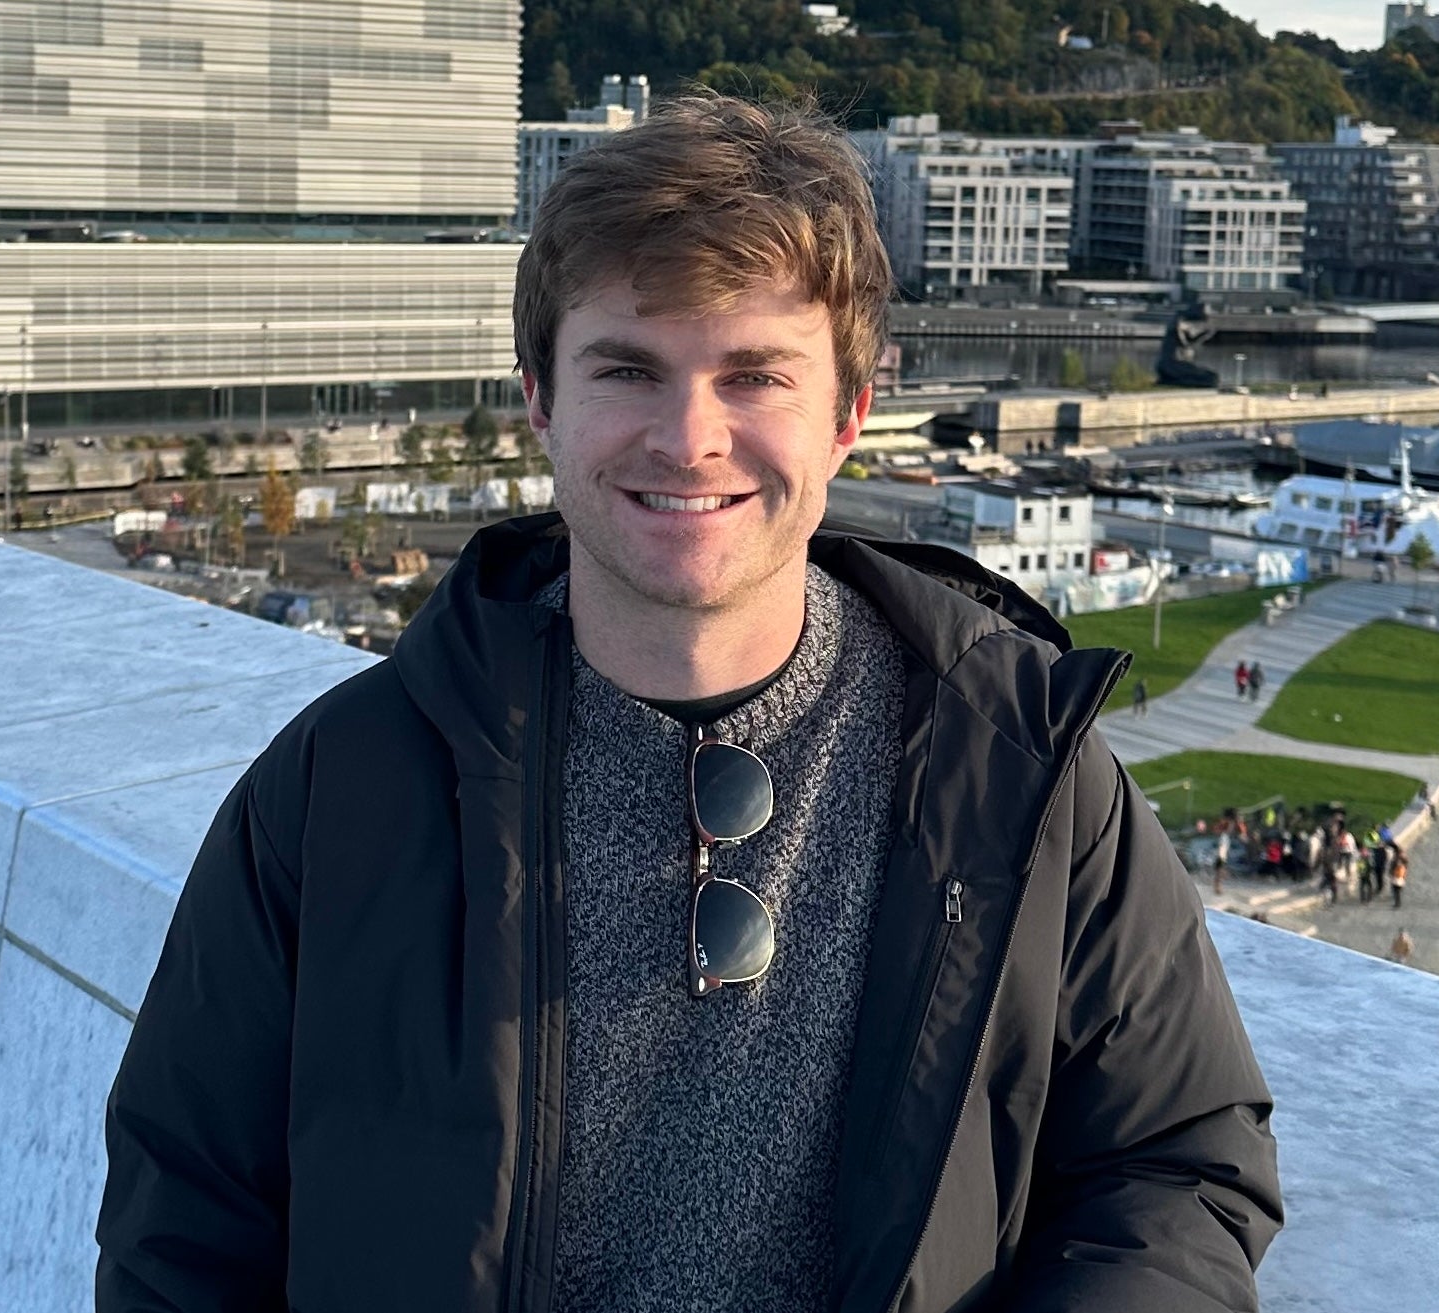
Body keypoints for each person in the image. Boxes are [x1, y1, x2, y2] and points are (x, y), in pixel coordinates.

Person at [95, 94, 1282, 1311]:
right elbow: (182, 1223)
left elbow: (1178, 1162)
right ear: (540, 402)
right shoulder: (334, 789)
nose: (688, 437)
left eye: (753, 374)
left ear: (846, 418)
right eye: (628, 368)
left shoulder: (1022, 774)